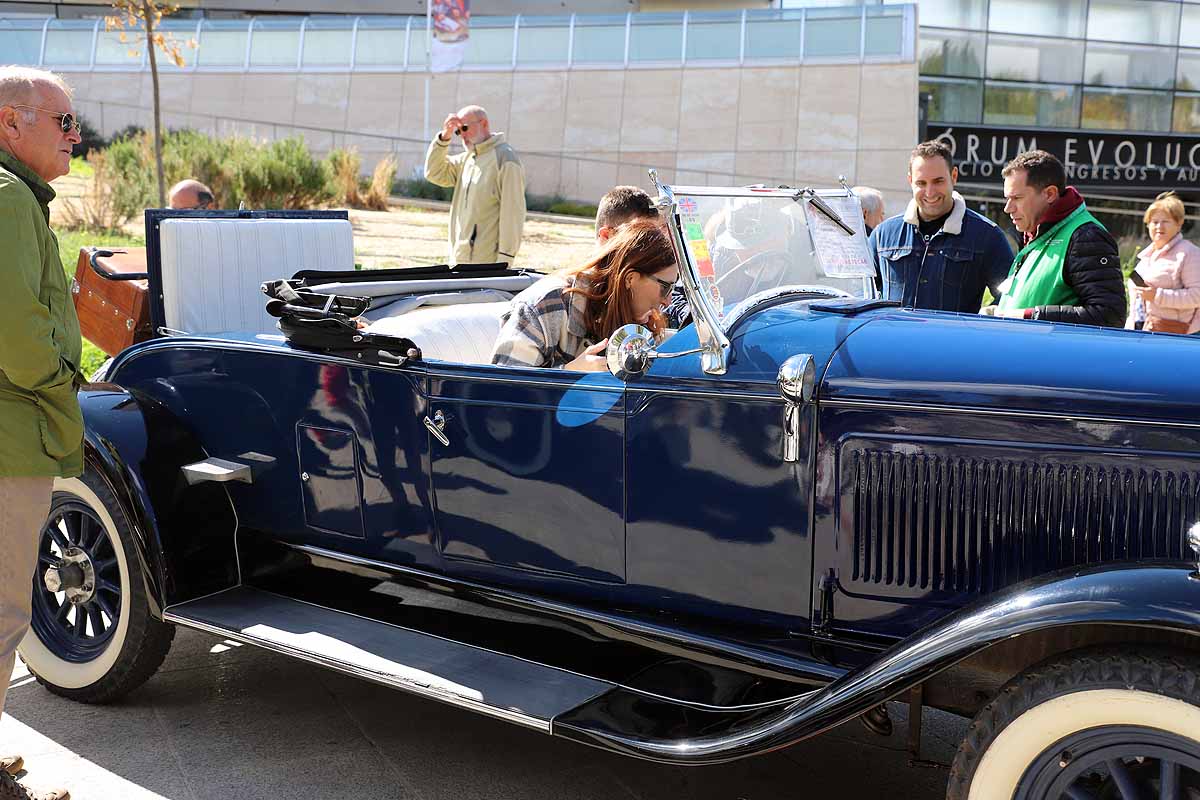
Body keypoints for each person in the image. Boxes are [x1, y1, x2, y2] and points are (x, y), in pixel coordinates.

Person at [0, 65, 82, 800]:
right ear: (10, 123)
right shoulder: (6, 199)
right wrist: (63, 385)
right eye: (61, 122)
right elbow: (19, 333)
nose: (74, 137)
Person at [490, 218, 678, 371]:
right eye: (666, 287)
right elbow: (502, 392)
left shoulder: (641, 323)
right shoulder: (544, 306)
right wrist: (570, 374)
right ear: (630, 279)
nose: (668, 300)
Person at [868, 140, 1013, 313]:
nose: (930, 192)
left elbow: (1009, 299)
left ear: (954, 176)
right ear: (910, 180)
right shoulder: (882, 235)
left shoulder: (988, 236)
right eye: (921, 183)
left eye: (938, 181)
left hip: (955, 340)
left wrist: (982, 325)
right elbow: (861, 294)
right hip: (891, 340)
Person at [991, 150, 1125, 327]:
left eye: (1017, 198)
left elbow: (1109, 316)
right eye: (1007, 199)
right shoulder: (1034, 232)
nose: (1008, 208)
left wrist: (1028, 315)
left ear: (1050, 194)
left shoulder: (1086, 236)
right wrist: (996, 311)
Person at [424, 105, 526, 267]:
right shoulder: (466, 159)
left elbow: (513, 213)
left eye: (465, 128)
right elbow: (434, 172)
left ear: (484, 124)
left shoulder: (505, 158)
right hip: (458, 258)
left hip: (487, 262)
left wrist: (505, 259)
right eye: (458, 131)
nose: (462, 135)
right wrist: (444, 137)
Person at [1128, 191, 1200, 334]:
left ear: (1179, 224)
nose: (1159, 227)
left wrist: (1157, 296)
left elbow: (1196, 296)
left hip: (1174, 336)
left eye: (1166, 221)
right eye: (1154, 222)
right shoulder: (1146, 257)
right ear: (1148, 225)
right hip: (1141, 332)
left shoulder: (1190, 253)